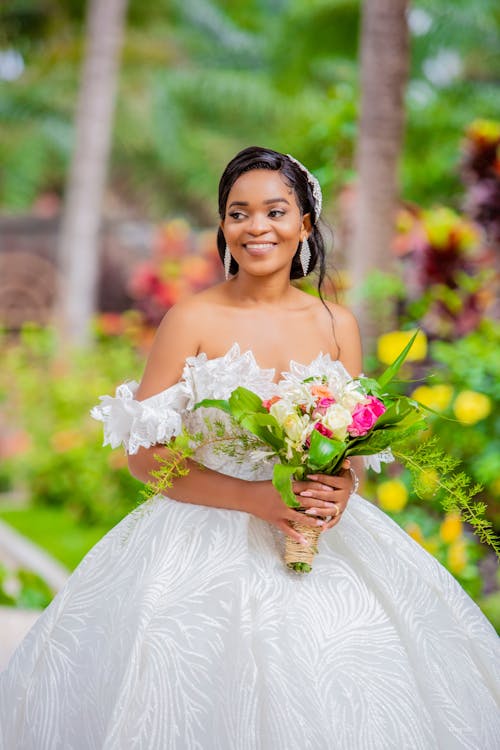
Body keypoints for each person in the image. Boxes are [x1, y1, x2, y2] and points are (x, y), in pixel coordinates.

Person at [1, 147, 498, 750]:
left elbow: (351, 449)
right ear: (222, 226)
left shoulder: (337, 322)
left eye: (274, 211)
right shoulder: (192, 317)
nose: (256, 227)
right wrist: (254, 498)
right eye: (239, 213)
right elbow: (144, 458)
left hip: (315, 538)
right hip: (200, 538)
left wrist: (341, 488)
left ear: (305, 225)